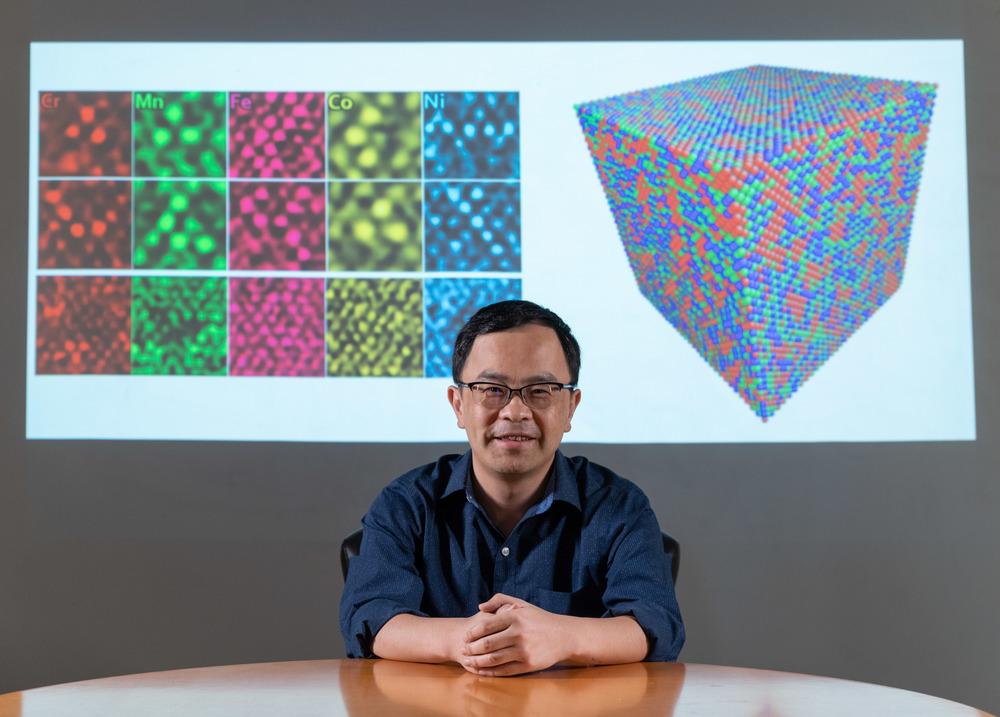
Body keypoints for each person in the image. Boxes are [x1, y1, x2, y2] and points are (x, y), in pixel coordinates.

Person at [339, 300, 684, 676]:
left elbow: (655, 625)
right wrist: (468, 640)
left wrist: (561, 637)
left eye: (540, 390)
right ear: (458, 404)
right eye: (492, 389)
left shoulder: (619, 506)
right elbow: (370, 617)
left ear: (570, 406)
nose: (515, 412)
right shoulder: (405, 504)